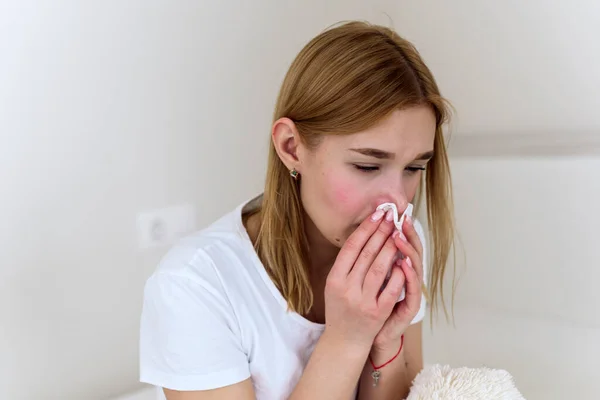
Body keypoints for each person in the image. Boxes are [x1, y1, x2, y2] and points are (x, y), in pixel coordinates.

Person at [139, 20, 455, 400]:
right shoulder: (195, 284)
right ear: (291, 147)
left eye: (414, 168)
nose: (396, 202)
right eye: (367, 166)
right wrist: (347, 339)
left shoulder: (406, 241)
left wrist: (386, 345)